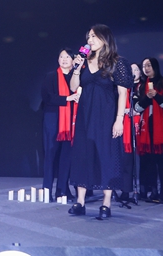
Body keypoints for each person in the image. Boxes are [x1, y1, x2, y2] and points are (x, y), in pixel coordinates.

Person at [68, 24, 132, 219]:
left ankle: (106, 204)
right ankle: (80, 202)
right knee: (83, 155)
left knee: (107, 157)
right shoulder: (84, 61)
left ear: (105, 38)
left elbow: (122, 94)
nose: (90, 40)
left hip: (106, 117)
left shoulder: (117, 63)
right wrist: (76, 69)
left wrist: (119, 120)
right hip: (85, 117)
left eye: (94, 36)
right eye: (89, 37)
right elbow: (73, 88)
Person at [134, 57, 163, 203]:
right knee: (148, 162)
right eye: (144, 66)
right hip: (146, 129)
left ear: (155, 66)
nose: (146, 68)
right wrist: (147, 98)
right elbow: (137, 108)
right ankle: (151, 192)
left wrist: (157, 96)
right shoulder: (141, 86)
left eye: (149, 65)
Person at [41, 48, 80, 201]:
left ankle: (62, 190)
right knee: (50, 156)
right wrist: (67, 99)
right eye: (61, 56)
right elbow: (47, 97)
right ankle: (46, 191)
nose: (64, 59)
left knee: (66, 157)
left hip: (71, 122)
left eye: (67, 57)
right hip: (53, 120)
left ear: (73, 60)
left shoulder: (76, 77)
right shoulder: (51, 76)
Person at [118, 62, 142, 202]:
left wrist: (136, 110)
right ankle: (125, 191)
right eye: (130, 70)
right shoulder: (122, 88)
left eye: (136, 70)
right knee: (125, 161)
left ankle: (144, 190)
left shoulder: (143, 87)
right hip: (124, 127)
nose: (133, 72)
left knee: (138, 162)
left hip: (140, 128)